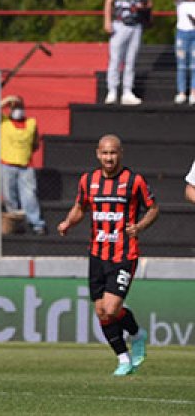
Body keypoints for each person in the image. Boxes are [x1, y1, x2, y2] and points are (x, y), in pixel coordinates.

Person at [58, 134, 157, 376]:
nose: (109, 157)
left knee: (111, 309)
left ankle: (136, 335)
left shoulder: (134, 181)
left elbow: (153, 208)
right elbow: (81, 207)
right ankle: (123, 359)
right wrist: (68, 223)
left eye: (113, 153)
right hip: (97, 254)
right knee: (101, 311)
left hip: (124, 254)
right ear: (97, 153)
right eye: (105, 153)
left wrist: (139, 227)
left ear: (120, 153)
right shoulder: (88, 180)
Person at [103, 0, 152, 105]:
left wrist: (145, 12)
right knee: (115, 58)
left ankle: (127, 91)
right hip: (120, 23)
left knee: (131, 60)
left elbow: (149, 3)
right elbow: (108, 1)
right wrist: (107, 20)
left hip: (136, 25)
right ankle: (112, 91)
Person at [0, 95, 46, 235]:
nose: (17, 110)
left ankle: (36, 223)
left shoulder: (31, 123)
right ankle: (15, 223)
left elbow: (35, 142)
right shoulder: (4, 121)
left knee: (29, 195)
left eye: (19, 107)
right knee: (9, 196)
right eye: (14, 108)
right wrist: (7, 100)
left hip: (26, 165)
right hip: (7, 164)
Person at [171, 0, 195, 104]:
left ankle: (193, 92)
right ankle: (181, 92)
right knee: (181, 64)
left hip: (194, 34)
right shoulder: (180, 2)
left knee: (194, 65)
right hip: (182, 34)